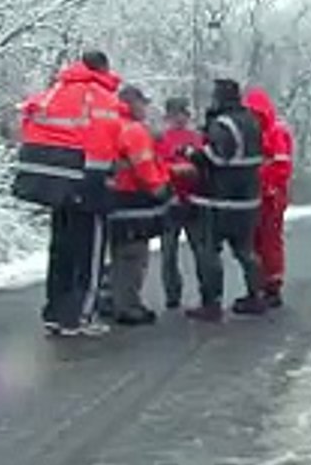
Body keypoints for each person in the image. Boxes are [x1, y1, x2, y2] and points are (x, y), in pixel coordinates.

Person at [12, 50, 122, 337]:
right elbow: (105, 141)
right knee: (89, 251)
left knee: (61, 248)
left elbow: (27, 123)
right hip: (86, 180)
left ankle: (55, 312)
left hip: (53, 181)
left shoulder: (55, 91)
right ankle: (81, 316)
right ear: (103, 68)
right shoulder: (100, 97)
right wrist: (108, 177)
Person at [185, 78, 265, 322]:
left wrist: (192, 153)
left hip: (217, 200)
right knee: (246, 251)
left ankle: (212, 303)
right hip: (248, 199)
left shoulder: (222, 124)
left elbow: (218, 157)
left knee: (208, 251)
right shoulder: (252, 121)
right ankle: (256, 295)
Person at [106, 85, 174, 325]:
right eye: (142, 103)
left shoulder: (107, 125)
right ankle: (128, 306)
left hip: (110, 199)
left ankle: (110, 299)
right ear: (132, 103)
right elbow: (143, 165)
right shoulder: (133, 130)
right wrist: (160, 188)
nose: (145, 108)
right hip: (132, 202)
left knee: (117, 254)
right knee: (133, 256)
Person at [244, 86, 294, 308]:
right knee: (254, 241)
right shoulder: (253, 134)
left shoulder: (275, 132)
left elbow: (282, 166)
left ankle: (272, 286)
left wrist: (265, 181)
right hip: (255, 195)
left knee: (269, 241)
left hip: (271, 196)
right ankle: (258, 285)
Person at [155, 96, 203, 309]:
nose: (179, 118)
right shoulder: (161, 139)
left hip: (193, 200)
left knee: (201, 250)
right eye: (175, 114)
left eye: (183, 114)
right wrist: (174, 171)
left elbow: (204, 164)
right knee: (168, 253)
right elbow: (155, 166)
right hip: (170, 200)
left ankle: (207, 293)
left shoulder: (196, 138)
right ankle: (172, 294)